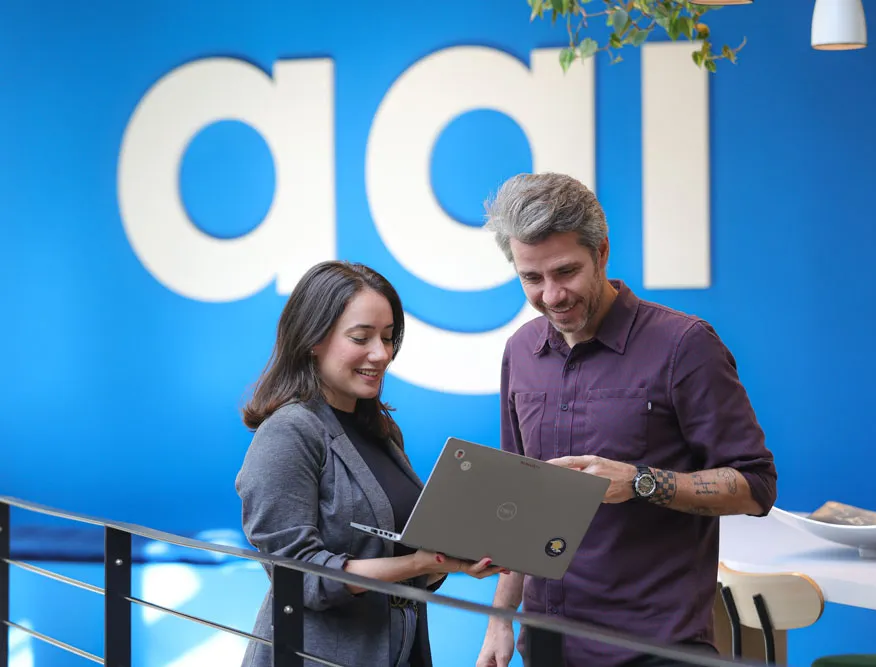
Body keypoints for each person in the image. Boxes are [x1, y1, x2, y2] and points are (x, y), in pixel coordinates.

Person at [474, 173, 778, 667]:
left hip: (655, 650)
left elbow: (756, 486)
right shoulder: (520, 353)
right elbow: (521, 504)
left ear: (602, 253)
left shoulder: (685, 345)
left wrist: (638, 482)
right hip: (547, 646)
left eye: (566, 271)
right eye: (532, 278)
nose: (552, 296)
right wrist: (499, 620)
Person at [236, 260, 503, 667]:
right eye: (361, 337)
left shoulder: (382, 432)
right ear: (313, 340)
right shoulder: (289, 432)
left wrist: (449, 562)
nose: (381, 354)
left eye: (389, 337)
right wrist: (415, 563)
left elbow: (399, 567)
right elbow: (299, 577)